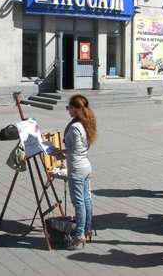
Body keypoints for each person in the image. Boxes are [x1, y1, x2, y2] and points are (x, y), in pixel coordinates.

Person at [51, 94, 97, 250]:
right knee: (86, 200)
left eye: (69, 107)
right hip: (85, 165)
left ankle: (79, 235)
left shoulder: (76, 126)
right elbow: (84, 147)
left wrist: (59, 152)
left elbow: (76, 149)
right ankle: (87, 228)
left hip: (77, 168)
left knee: (79, 204)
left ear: (75, 109)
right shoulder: (86, 122)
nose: (68, 110)